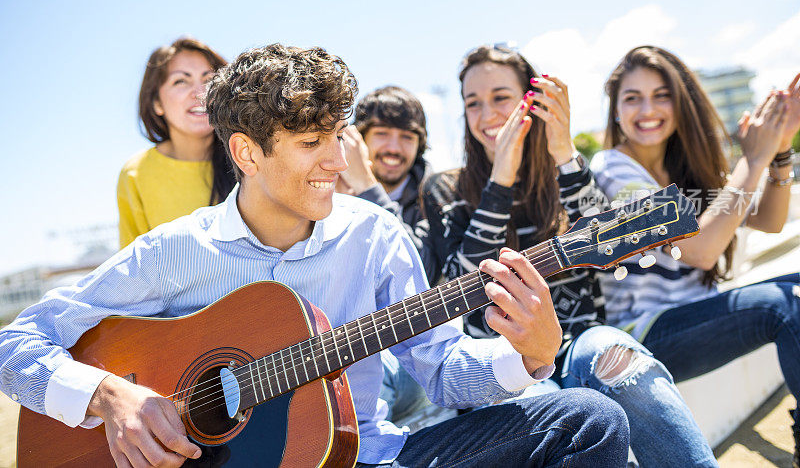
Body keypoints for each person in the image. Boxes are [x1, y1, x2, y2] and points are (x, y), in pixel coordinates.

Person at [0, 44, 629, 467]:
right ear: (246, 154)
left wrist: (531, 353)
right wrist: (110, 397)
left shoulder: (377, 238)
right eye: (310, 143)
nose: (336, 162)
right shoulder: (174, 252)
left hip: (371, 458)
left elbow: (441, 369)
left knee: (586, 418)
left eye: (336, 137)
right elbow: (15, 347)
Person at [421, 44, 717, 467]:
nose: (487, 115)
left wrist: (562, 150)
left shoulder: (567, 176)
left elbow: (620, 249)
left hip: (580, 346)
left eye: (501, 97)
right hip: (501, 370)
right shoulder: (444, 190)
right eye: (473, 103)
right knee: (561, 411)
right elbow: (459, 301)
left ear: (533, 101)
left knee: (614, 350)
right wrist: (499, 183)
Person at [589, 45, 800, 467]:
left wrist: (778, 151)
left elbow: (769, 220)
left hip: (698, 314)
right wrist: (753, 155)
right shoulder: (612, 168)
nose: (647, 109)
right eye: (633, 98)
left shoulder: (684, 167)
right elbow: (702, 251)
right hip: (646, 333)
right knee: (786, 306)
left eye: (661, 94)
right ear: (615, 110)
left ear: (681, 102)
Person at [337, 86, 433, 424]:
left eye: (407, 137)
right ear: (355, 138)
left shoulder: (435, 195)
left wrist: (366, 186)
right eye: (381, 134)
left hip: (411, 356)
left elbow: (422, 265)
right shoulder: (321, 188)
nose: (393, 148)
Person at [117, 37, 236, 248]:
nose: (200, 93)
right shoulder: (136, 174)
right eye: (181, 81)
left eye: (209, 80)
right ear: (157, 103)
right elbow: (135, 269)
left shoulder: (249, 158)